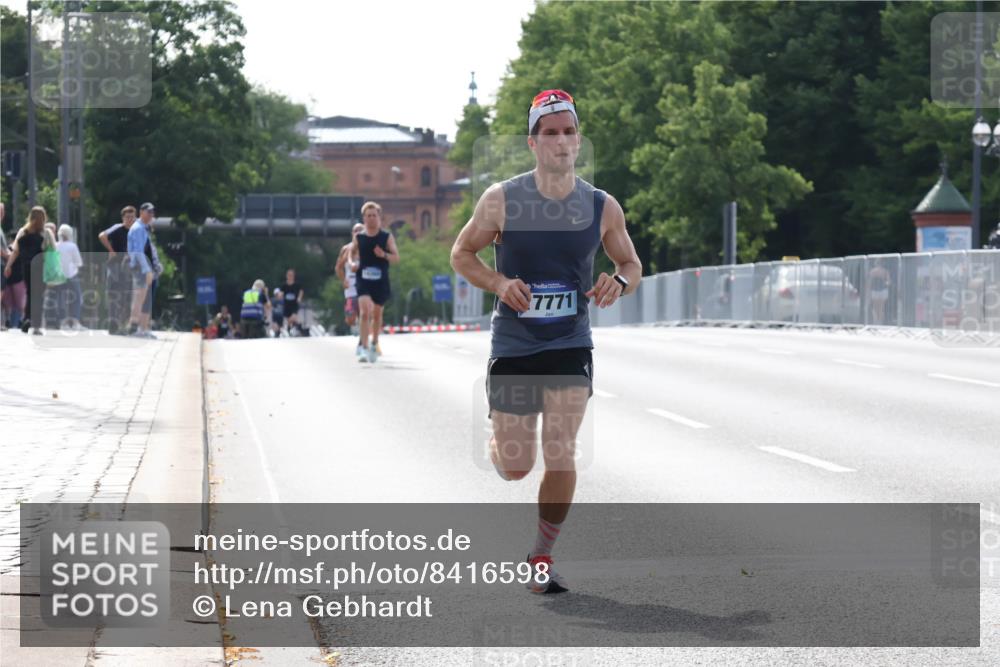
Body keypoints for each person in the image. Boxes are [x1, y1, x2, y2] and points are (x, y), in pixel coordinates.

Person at [450, 89, 642, 594]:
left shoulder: (601, 206)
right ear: (533, 143)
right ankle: (499, 442)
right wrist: (498, 283)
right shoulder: (502, 199)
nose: (561, 141)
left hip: (569, 343)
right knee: (516, 465)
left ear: (579, 140)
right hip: (515, 344)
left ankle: (540, 554)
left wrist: (618, 282)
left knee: (561, 450)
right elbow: (461, 254)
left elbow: (630, 263)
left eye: (569, 132)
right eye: (550, 133)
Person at [354, 202, 399, 362]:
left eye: (374, 215)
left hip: (380, 281)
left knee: (377, 315)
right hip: (363, 279)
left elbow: (396, 258)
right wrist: (353, 264)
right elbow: (352, 254)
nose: (371, 218)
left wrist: (384, 255)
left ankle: (374, 342)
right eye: (368, 216)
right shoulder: (359, 237)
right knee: (365, 312)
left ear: (379, 217)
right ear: (364, 218)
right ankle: (364, 348)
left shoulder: (386, 237)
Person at [4, 206, 54, 335]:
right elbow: (52, 253)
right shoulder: (46, 233)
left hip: (26, 267)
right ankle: (35, 324)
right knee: (39, 296)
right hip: (41, 267)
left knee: (30, 293)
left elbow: (15, 251)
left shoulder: (23, 231)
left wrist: (8, 266)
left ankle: (27, 319)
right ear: (44, 218)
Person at [98, 206, 137, 334]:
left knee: (126, 296)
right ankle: (112, 324)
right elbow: (102, 235)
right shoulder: (118, 228)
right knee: (113, 295)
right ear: (123, 218)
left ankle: (123, 324)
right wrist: (111, 250)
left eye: (132, 217)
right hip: (114, 266)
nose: (130, 219)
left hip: (129, 268)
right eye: (127, 217)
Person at [126, 204, 155, 338]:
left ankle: (138, 328)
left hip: (140, 266)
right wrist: (147, 269)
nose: (151, 215)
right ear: (141, 212)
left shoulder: (142, 228)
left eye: (152, 213)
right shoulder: (138, 228)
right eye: (148, 212)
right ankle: (134, 328)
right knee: (139, 298)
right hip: (139, 267)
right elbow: (138, 251)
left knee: (142, 298)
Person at [335, 222, 364, 356]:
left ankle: (362, 342)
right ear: (352, 233)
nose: (357, 233)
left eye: (360, 230)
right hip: (351, 288)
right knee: (350, 318)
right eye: (355, 231)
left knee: (364, 315)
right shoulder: (346, 249)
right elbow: (338, 267)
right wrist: (343, 280)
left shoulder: (369, 248)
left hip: (365, 286)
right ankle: (358, 329)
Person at [55, 224, 85, 330]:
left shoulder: (55, 245)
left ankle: (63, 323)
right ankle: (75, 322)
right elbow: (79, 262)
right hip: (72, 275)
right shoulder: (72, 246)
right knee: (76, 298)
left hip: (59, 276)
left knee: (60, 299)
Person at [280, 268, 304, 335]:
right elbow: (281, 293)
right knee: (289, 320)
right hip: (287, 305)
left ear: (293, 276)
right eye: (289, 275)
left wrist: (299, 298)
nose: (290, 276)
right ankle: (296, 327)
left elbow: (301, 291)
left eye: (291, 275)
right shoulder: (284, 285)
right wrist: (280, 295)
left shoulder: (297, 285)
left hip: (294, 305)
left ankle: (294, 327)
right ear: (286, 276)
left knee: (293, 317)